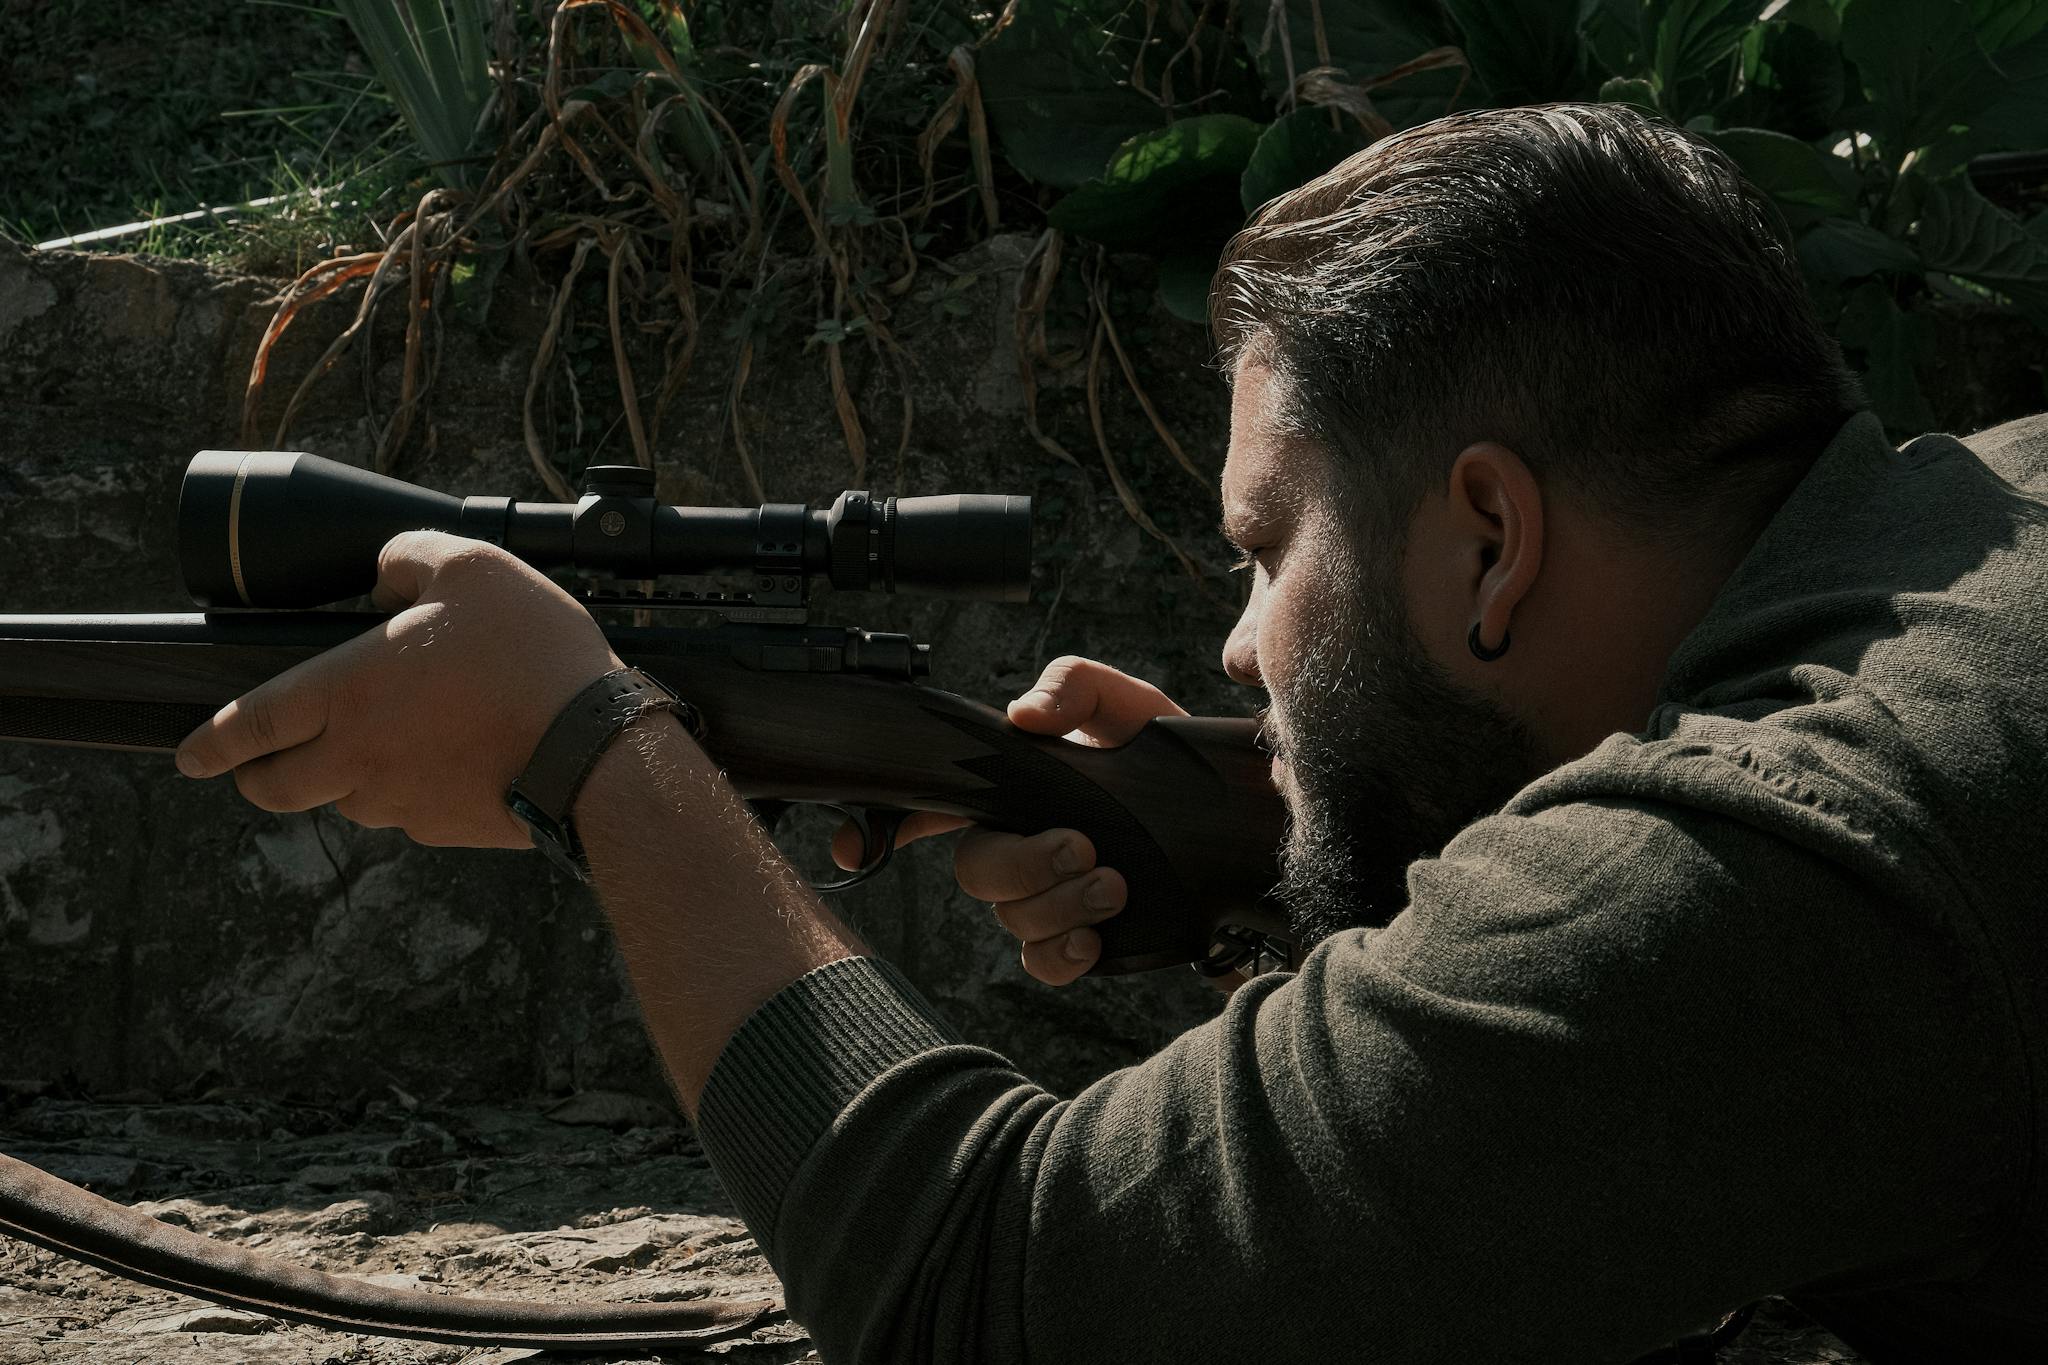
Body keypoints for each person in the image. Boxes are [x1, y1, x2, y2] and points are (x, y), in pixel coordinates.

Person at [170, 103, 2048, 1363]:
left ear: (1491, 538)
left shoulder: (1790, 856)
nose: (1237, 646)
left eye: (1262, 548)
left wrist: (595, 749)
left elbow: (991, 1284)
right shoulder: (1987, 522)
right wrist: (1271, 862)